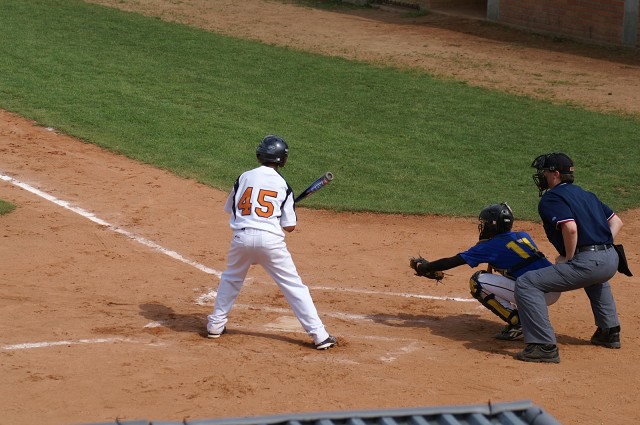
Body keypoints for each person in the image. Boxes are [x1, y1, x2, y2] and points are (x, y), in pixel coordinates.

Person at [206, 135, 337, 350]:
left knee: (230, 279)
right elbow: (289, 226)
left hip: (241, 239)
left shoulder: (244, 177)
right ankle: (320, 336)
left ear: (260, 155)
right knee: (293, 286)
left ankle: (215, 326)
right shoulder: (283, 185)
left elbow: (230, 208)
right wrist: (284, 210)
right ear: (282, 159)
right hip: (270, 242)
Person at [514, 152, 623, 363]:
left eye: (544, 172)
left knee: (527, 283)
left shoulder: (552, 198)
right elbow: (616, 222)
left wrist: (569, 257)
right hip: (611, 259)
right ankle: (609, 332)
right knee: (595, 278)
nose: (542, 176)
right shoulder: (587, 194)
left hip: (588, 262)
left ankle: (543, 346)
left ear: (555, 174)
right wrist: (601, 245)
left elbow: (570, 228)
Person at [410, 202, 560, 340]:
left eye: (486, 223)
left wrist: (425, 267)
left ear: (493, 225)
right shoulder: (522, 235)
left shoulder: (489, 247)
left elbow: (452, 261)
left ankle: (519, 323)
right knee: (516, 271)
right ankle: (529, 316)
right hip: (553, 286)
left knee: (478, 282)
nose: (483, 226)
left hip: (538, 294)